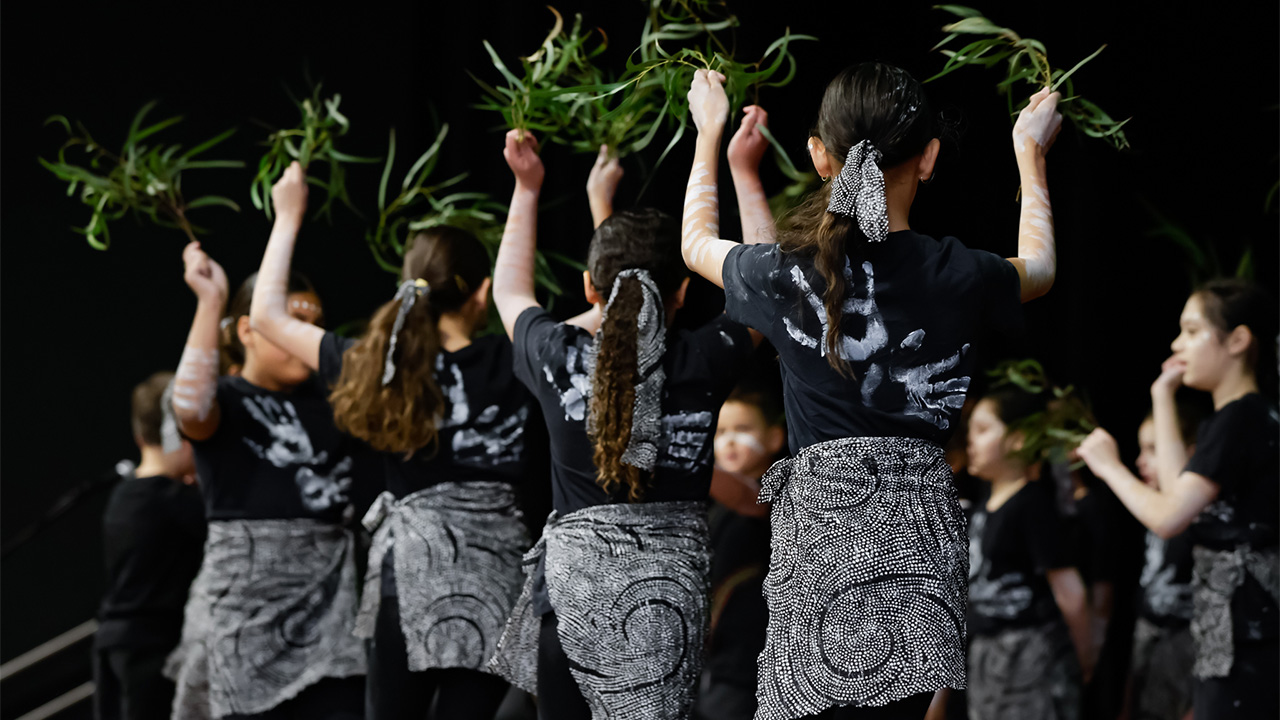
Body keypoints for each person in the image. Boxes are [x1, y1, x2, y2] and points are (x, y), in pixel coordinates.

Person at [680, 62, 1063, 718]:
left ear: (819, 157)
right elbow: (1043, 266)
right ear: (930, 158)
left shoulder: (783, 274)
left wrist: (709, 133)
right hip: (914, 558)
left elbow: (694, 244)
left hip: (816, 560)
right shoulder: (960, 274)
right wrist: (1029, 152)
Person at [486, 130, 762, 719]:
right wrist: (729, 155)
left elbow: (510, 289)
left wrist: (527, 186)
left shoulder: (557, 355)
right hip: (666, 610)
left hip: (571, 599)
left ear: (590, 288)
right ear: (684, 292)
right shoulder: (704, 359)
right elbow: (764, 287)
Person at [249, 162, 535, 720]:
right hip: (494, 576)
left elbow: (264, 314)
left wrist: (288, 217)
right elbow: (601, 312)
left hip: (410, 571)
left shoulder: (376, 363)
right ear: (482, 293)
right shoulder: (517, 356)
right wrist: (528, 187)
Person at [166, 241, 366, 720]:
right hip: (247, 621)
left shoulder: (340, 400)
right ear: (247, 330)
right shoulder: (226, 400)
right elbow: (189, 406)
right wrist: (209, 301)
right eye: (289, 322)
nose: (306, 335)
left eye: (313, 323)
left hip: (332, 613)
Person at [1078, 279, 1279, 718]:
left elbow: (1168, 517)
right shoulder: (1232, 418)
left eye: (1191, 330)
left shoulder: (1242, 416)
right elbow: (1175, 494)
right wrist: (1161, 394)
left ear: (1239, 340)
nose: (1176, 342)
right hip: (1230, 632)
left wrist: (1109, 465)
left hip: (1246, 634)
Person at [964, 385, 1092, 720]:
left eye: (983, 430)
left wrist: (1082, 657)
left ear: (1018, 439)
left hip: (1029, 655)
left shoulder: (1032, 503)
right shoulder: (979, 510)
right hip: (986, 656)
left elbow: (1070, 593)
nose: (971, 441)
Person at [94, 371, 206, 720]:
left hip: (114, 643)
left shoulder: (124, 493)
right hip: (152, 652)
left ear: (139, 435)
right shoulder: (178, 502)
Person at [696, 379, 786, 720]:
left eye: (742, 429)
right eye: (720, 432)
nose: (729, 440)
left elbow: (751, 501)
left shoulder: (777, 492)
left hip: (749, 660)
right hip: (710, 657)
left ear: (775, 437)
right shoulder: (714, 501)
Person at [1125, 399, 1205, 720]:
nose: (1141, 461)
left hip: (1190, 658)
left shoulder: (1202, 520)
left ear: (1191, 451)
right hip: (1151, 656)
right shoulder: (1152, 510)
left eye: (1153, 450)